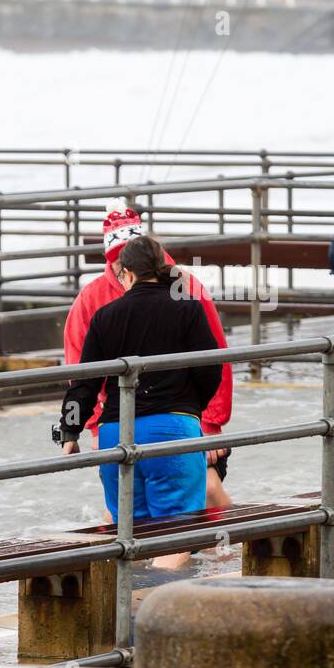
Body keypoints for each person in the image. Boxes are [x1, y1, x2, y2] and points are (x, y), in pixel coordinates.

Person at [63, 202, 234, 509]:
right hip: (136, 419)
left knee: (204, 493)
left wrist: (209, 421)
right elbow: (80, 369)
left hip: (172, 417)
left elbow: (214, 357)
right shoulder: (91, 300)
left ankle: (222, 552)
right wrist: (91, 425)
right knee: (140, 513)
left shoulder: (186, 289)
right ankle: (198, 553)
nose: (120, 267)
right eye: (114, 259)